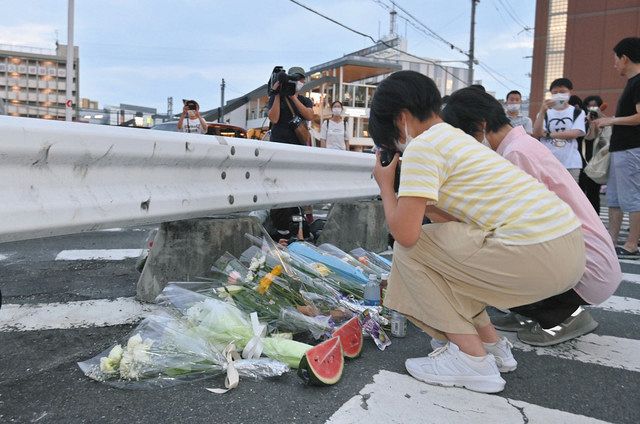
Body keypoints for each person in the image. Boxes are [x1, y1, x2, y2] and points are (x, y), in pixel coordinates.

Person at [369, 71, 585, 393]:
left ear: (401, 119)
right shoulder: (459, 140)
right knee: (448, 258)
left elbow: (406, 235)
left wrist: (386, 186)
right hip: (567, 249)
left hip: (536, 251)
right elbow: (457, 226)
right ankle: (492, 347)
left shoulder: (423, 147)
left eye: (390, 136)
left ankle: (470, 359)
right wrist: (421, 203)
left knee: (410, 252)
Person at [442, 87, 621, 346]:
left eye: (464, 135)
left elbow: (518, 228)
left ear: (480, 126)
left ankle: (564, 317)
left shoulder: (516, 154)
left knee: (478, 254)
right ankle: (530, 312)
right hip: (589, 260)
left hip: (586, 270)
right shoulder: (520, 145)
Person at [594, 37, 640, 259]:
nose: (614, 63)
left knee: (632, 197)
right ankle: (610, 240)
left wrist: (611, 121)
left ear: (625, 58)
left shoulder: (639, 81)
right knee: (613, 197)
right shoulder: (632, 83)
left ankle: (631, 245)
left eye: (615, 58)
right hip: (621, 148)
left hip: (631, 148)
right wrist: (607, 118)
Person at [266, 66, 315, 242]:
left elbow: (309, 115)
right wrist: (278, 94)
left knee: (297, 189)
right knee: (278, 187)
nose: (298, 82)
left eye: (300, 79)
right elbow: (274, 118)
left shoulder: (304, 100)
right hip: (278, 148)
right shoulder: (275, 97)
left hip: (298, 150)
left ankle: (299, 226)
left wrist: (293, 96)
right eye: (294, 79)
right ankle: (281, 229)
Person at [532, 78, 586, 183]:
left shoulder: (578, 112)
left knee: (571, 196)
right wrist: (542, 111)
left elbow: (575, 133)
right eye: (555, 92)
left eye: (562, 92)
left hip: (571, 163)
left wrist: (548, 134)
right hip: (547, 163)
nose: (559, 95)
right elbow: (537, 133)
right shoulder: (545, 113)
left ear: (570, 92)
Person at [580, 95, 611, 213]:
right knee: (581, 191)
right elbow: (588, 137)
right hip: (583, 159)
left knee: (593, 193)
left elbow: (606, 141)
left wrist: (600, 120)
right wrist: (591, 123)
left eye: (595, 106)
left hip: (597, 161)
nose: (592, 108)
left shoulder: (606, 121)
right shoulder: (582, 120)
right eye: (589, 106)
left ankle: (595, 218)